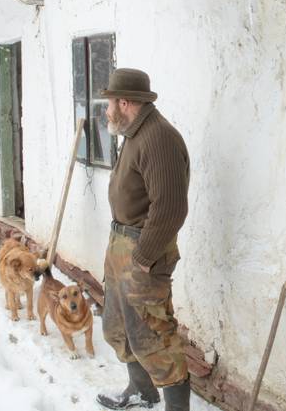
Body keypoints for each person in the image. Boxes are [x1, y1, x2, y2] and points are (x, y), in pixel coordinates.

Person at [96, 68, 191, 411]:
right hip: (123, 244)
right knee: (119, 326)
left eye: (109, 103)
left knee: (153, 335)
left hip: (144, 249)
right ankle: (142, 392)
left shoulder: (158, 137)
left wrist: (142, 257)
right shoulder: (135, 133)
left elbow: (170, 208)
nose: (106, 111)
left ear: (125, 102)